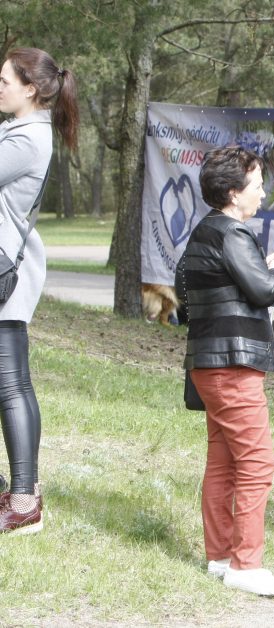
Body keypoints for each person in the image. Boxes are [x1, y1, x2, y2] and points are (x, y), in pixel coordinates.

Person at [175, 146, 274, 596]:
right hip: (234, 366)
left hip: (207, 364)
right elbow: (262, 288)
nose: (263, 194)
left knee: (223, 463)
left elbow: (186, 291)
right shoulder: (233, 234)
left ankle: (221, 557)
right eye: (258, 186)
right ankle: (246, 564)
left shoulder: (202, 232)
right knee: (258, 463)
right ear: (233, 192)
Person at [0, 47, 78, 534]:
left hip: (6, 271)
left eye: (4, 81)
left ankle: (25, 500)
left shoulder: (28, 137)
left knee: (11, 383)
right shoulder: (17, 130)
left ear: (31, 88)